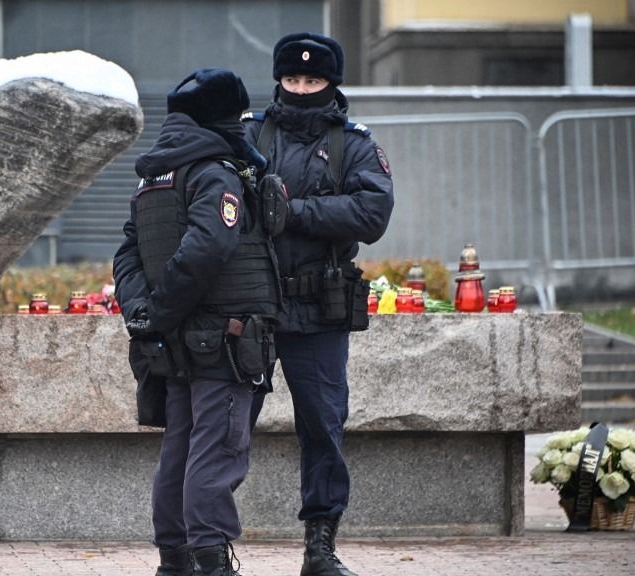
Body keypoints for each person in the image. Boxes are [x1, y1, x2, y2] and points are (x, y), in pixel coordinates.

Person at [113, 68, 281, 576]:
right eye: (237, 117)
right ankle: (211, 562)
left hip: (176, 340)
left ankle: (174, 562)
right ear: (221, 119)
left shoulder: (153, 176)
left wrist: (146, 311)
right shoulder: (214, 171)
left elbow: (127, 253)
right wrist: (161, 309)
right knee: (217, 450)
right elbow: (209, 246)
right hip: (222, 338)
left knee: (181, 450)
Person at [243, 33, 394, 576]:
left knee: (324, 429)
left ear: (333, 83)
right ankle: (207, 543)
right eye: (292, 80)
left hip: (318, 307)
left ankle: (320, 549)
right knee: (229, 426)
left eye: (313, 81)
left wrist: (296, 212)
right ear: (278, 80)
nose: (301, 89)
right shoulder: (250, 133)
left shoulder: (352, 142)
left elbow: (372, 213)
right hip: (254, 303)